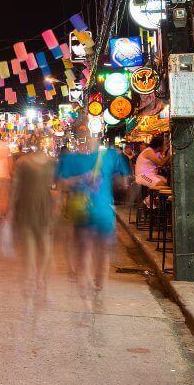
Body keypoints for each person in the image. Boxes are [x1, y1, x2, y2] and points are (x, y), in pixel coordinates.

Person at [57, 122, 130, 311]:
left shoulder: (69, 160)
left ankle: (88, 294)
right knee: (102, 254)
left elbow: (62, 184)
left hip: (83, 213)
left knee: (85, 253)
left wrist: (78, 180)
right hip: (102, 213)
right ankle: (98, 289)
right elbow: (123, 182)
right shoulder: (110, 156)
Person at [10, 135, 57, 300]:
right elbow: (53, 186)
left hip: (29, 205)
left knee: (32, 245)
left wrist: (10, 212)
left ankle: (33, 279)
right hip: (41, 205)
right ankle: (37, 277)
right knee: (44, 244)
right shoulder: (49, 162)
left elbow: (15, 188)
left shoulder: (23, 162)